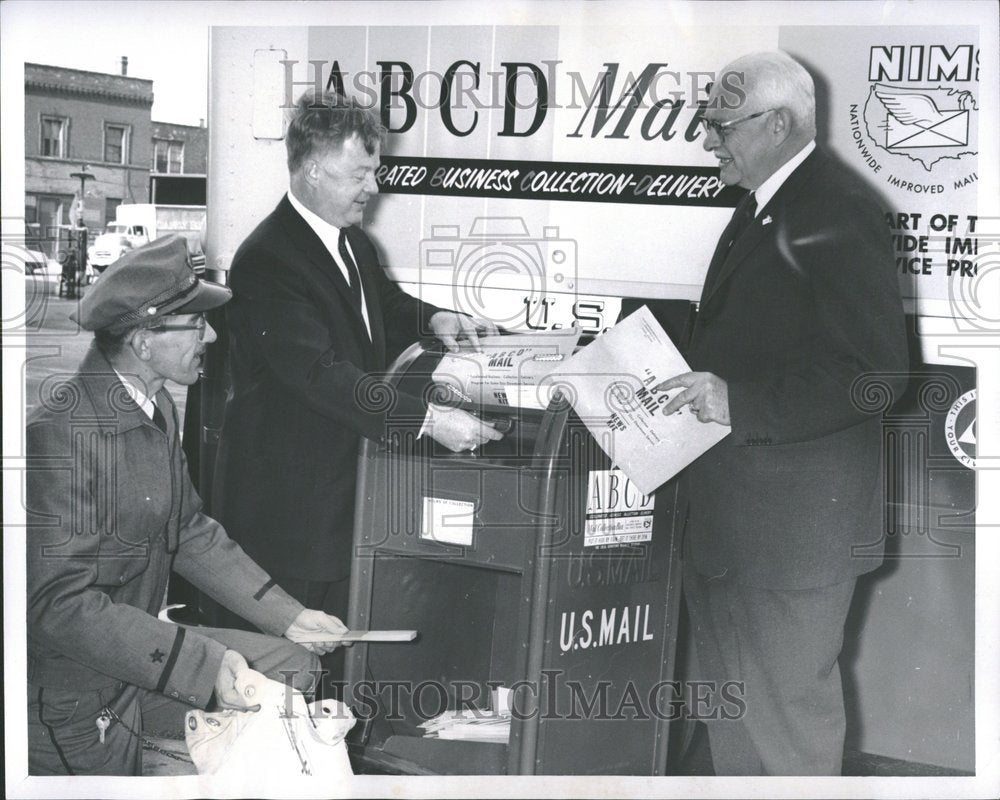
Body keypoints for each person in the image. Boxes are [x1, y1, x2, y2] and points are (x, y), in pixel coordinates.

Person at [657, 51, 909, 775]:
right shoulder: (762, 207)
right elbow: (767, 340)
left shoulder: (837, 209)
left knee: (786, 739)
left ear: (775, 124)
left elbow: (876, 373)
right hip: (738, 530)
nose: (707, 141)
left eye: (720, 124)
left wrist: (740, 402)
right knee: (735, 729)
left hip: (793, 541)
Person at [26, 235, 352, 776]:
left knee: (296, 665)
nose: (213, 335)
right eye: (195, 324)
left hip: (134, 654)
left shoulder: (154, 406)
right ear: (143, 339)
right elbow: (56, 608)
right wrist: (202, 664)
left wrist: (290, 617)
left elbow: (188, 531)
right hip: (76, 691)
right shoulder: (60, 435)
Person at [211, 92, 502, 692]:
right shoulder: (268, 259)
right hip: (291, 516)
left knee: (339, 660)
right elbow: (319, 374)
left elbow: (381, 308)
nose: (374, 185)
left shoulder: (352, 243)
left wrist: (437, 318)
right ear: (313, 169)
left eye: (375, 170)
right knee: (290, 672)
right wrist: (426, 421)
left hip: (345, 499)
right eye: (361, 172)